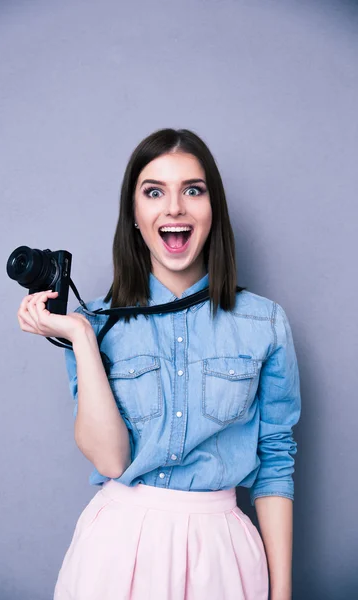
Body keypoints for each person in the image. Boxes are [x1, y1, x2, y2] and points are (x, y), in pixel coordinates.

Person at [17, 128, 301, 600]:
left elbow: (275, 462)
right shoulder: (95, 324)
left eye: (193, 190)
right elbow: (111, 459)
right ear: (134, 215)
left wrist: (283, 592)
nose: (175, 208)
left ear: (213, 211)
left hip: (223, 556)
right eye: (154, 192)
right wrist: (82, 338)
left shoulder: (265, 323)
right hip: (116, 552)